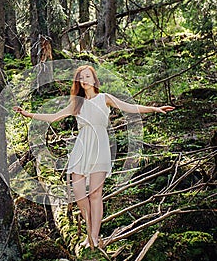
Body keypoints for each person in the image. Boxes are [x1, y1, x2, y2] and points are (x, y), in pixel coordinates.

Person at [13, 65, 174, 248]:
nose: (85, 80)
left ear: (94, 79)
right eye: (81, 77)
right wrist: (28, 114)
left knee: (96, 194)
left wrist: (154, 109)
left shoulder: (104, 98)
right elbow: (53, 117)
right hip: (82, 148)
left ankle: (94, 238)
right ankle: (89, 233)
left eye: (88, 76)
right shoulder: (77, 103)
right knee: (80, 194)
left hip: (100, 147)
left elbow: (130, 107)